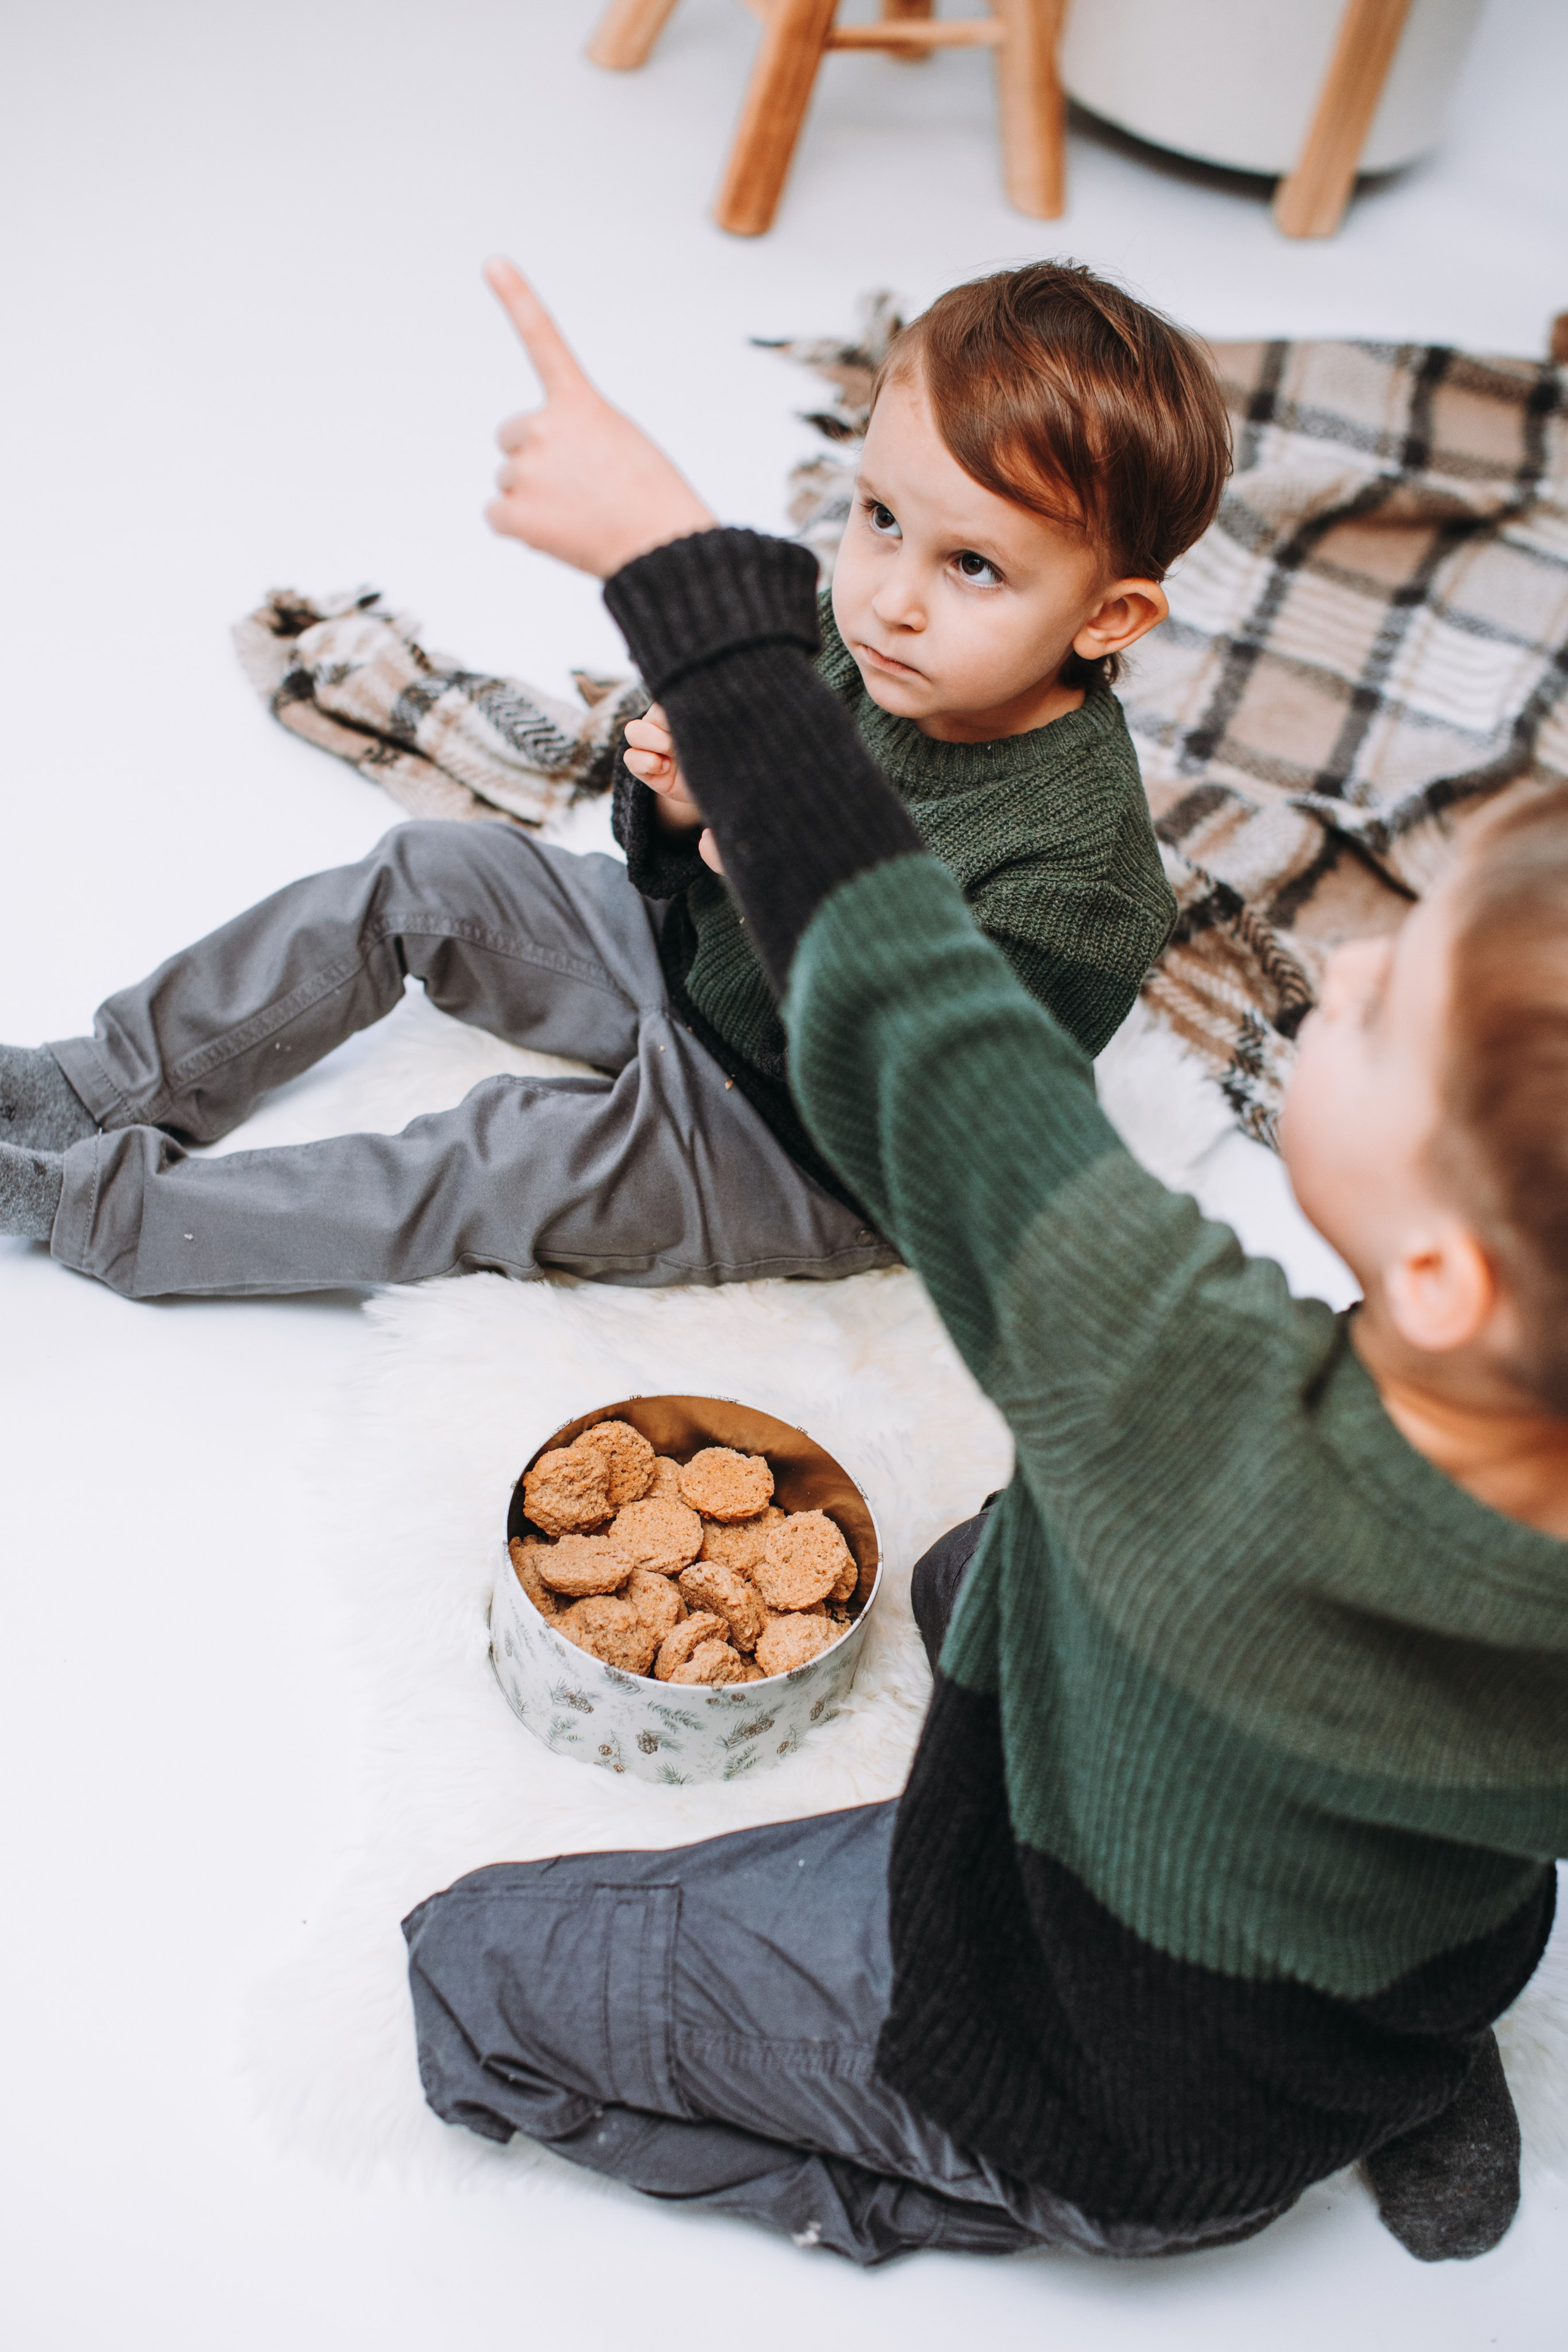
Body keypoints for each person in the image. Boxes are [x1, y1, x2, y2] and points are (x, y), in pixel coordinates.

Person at [402, 270, 1567, 2270]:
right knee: (981, 1574)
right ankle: (1406, 2044)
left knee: (467, 1972)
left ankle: (981, 2183)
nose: (1347, 961)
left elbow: (916, 1014)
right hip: (1365, 1941)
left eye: (1387, 1014)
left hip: (1071, 2066)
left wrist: (682, 574)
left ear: (1455, 1277)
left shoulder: (1184, 1402)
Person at [0, 257, 1226, 1299]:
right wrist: (680, 799)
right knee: (429, 872)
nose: (892, 598)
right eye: (880, 519)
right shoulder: (855, 640)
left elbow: (922, 1103)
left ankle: (95, 1211)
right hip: (685, 958)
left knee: (497, 1164)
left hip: (802, 1151)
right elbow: (674, 848)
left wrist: (768, 868)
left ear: (1106, 616)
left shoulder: (1085, 879)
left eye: (974, 567)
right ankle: (96, 1083)